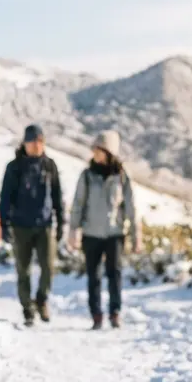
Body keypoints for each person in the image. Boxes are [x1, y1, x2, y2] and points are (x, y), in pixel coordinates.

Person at [69, 130, 141, 329]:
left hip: (114, 233)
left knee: (114, 274)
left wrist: (136, 236)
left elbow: (131, 207)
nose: (94, 153)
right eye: (94, 149)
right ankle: (96, 314)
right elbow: (78, 204)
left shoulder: (121, 176)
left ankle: (115, 312)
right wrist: (73, 230)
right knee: (94, 276)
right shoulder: (87, 175)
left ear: (109, 152)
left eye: (98, 149)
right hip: (91, 233)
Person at [0, 124, 64, 326]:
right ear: (25, 143)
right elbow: (5, 197)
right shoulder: (14, 167)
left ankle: (42, 300)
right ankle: (27, 308)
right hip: (20, 227)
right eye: (33, 141)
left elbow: (57, 196)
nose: (37, 145)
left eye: (40, 141)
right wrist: (3, 224)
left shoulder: (49, 165)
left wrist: (61, 222)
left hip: (45, 225)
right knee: (23, 270)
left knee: (48, 267)